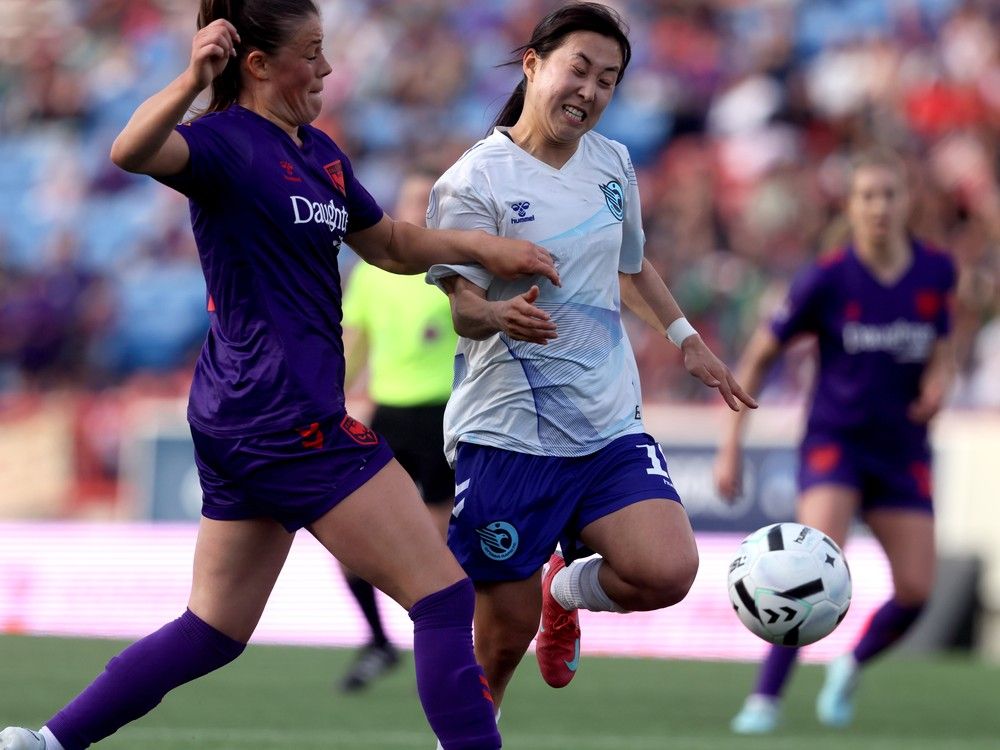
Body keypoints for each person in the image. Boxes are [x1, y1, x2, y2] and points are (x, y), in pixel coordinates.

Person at [0, 2, 560, 749]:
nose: (328, 68)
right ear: (258, 65)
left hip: (243, 417)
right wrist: (194, 77)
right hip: (284, 417)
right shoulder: (223, 143)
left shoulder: (319, 153)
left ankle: (43, 742)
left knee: (212, 630)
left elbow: (388, 242)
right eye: (313, 52)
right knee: (443, 596)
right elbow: (130, 151)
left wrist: (486, 249)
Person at [423, 1, 756, 733]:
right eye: (580, 68)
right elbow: (462, 309)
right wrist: (499, 314)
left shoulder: (613, 163)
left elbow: (630, 267)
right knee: (500, 641)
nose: (591, 91)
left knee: (667, 570)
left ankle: (565, 590)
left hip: (606, 423)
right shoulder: (472, 180)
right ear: (535, 64)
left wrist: (685, 337)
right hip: (507, 434)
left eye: (608, 79)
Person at [714, 147, 958, 734]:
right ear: (850, 207)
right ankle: (764, 700)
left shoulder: (936, 271)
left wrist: (939, 381)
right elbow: (762, 352)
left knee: (919, 591)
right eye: (867, 196)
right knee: (807, 564)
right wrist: (731, 442)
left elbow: (945, 341)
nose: (878, 207)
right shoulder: (827, 278)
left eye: (888, 194)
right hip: (837, 442)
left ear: (907, 202)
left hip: (903, 447)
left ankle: (851, 663)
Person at [335, 167, 458, 692]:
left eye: (424, 200)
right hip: (388, 415)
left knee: (434, 550)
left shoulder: (454, 270)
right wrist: (327, 403)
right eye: (408, 197)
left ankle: (444, 652)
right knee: (349, 538)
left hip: (443, 417)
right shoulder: (370, 272)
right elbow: (352, 346)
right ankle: (380, 642)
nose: (414, 208)